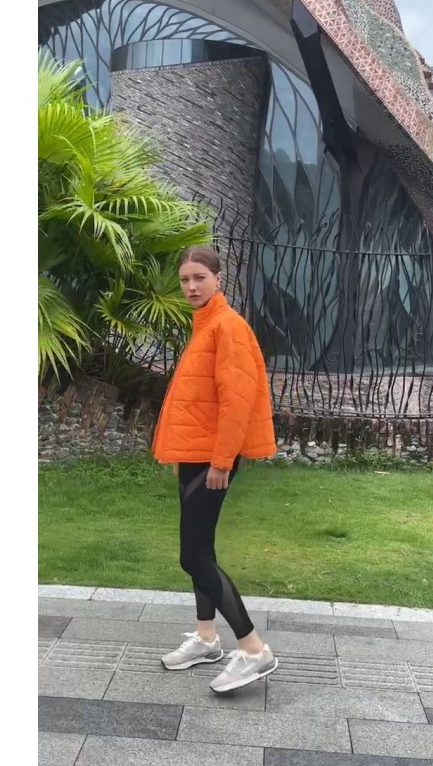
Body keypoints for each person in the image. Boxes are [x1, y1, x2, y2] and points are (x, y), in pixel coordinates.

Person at [151, 245, 279, 693]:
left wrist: (222, 460)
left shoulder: (228, 327)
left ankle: (254, 649)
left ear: (218, 279)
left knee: (194, 556)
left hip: (213, 460)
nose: (191, 286)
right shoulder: (206, 324)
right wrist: (183, 456)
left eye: (199, 278)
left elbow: (236, 402)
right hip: (196, 457)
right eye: (185, 279)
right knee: (200, 549)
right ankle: (206, 639)